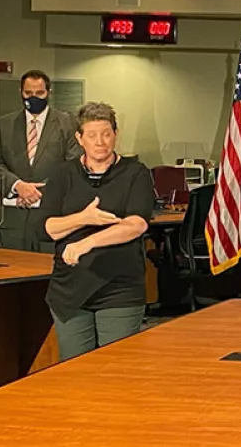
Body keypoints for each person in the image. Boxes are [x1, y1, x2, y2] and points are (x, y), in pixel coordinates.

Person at [33, 102, 155, 360]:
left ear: (115, 133)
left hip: (119, 287)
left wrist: (87, 242)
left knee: (114, 368)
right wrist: (83, 218)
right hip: (70, 290)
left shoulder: (135, 173)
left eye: (106, 133)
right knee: (75, 371)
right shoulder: (63, 174)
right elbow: (45, 228)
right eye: (92, 135)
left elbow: (136, 224)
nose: (100, 142)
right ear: (79, 138)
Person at [0, 70, 82, 251]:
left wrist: (36, 193)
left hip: (52, 218)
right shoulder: (3, 124)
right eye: (28, 93)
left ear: (48, 92)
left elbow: (73, 165)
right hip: (13, 219)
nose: (34, 97)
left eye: (39, 93)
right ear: (21, 92)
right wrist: (18, 186)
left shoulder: (67, 123)